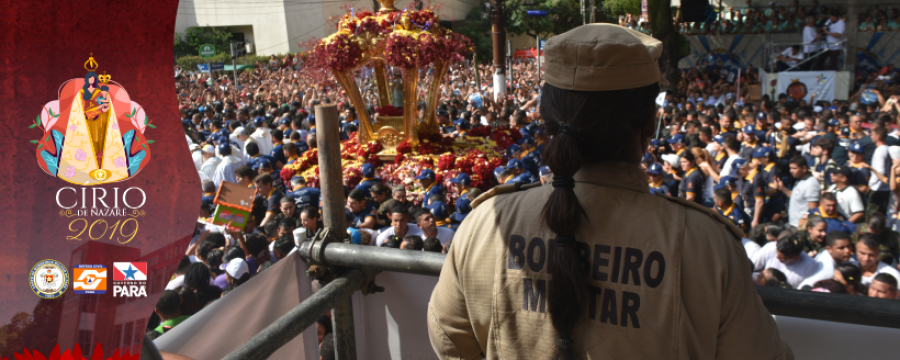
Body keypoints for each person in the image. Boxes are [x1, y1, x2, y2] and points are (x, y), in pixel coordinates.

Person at [428, 24, 792, 360]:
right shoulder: (707, 245)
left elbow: (450, 342)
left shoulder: (483, 225)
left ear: (547, 118)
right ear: (650, 122)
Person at [776, 155, 820, 228]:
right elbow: (795, 196)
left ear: (804, 168)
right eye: (790, 168)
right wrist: (782, 188)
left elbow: (814, 210)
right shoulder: (799, 179)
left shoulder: (811, 183)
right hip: (792, 223)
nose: (791, 171)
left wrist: (805, 223)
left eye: (794, 168)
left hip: (800, 227)